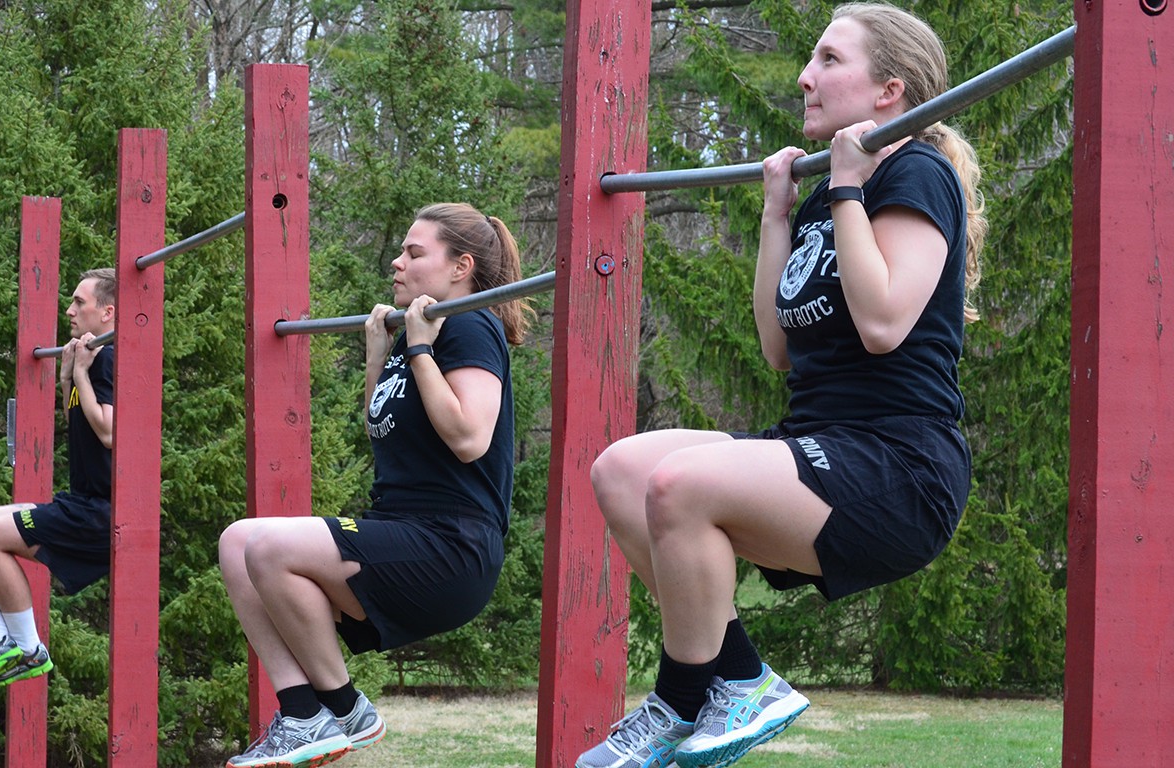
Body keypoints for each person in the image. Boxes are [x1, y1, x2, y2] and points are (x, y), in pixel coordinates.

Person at [575, 4, 986, 768]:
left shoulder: (914, 174)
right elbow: (779, 349)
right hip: (820, 445)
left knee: (678, 485)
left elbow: (886, 323)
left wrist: (848, 191)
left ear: (889, 88)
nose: (806, 74)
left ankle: (687, 692)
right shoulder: (841, 187)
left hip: (900, 468)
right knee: (622, 470)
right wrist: (776, 218)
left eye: (830, 59)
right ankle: (732, 678)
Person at [218, 202, 531, 768]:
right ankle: (302, 714)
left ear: (460, 267)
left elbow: (468, 437)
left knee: (269, 548)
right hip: (402, 527)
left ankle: (343, 709)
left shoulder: (469, 325)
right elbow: (384, 424)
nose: (397, 261)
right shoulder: (425, 329)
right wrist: (380, 354)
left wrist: (417, 348)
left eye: (414, 253)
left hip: (452, 547)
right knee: (238, 542)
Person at [0, 267, 117, 697]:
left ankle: (27, 647)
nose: (70, 309)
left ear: (108, 312)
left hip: (101, 513)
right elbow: (78, 418)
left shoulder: (109, 358)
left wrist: (79, 374)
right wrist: (66, 378)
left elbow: (110, 430)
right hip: (81, 502)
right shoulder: (91, 357)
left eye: (80, 302)